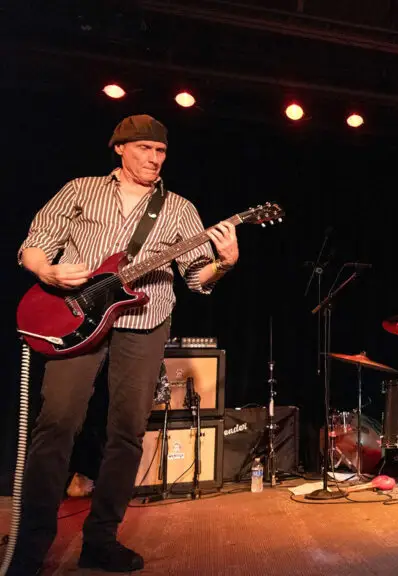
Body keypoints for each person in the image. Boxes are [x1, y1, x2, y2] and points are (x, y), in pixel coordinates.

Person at [10, 114, 240, 574]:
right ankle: (30, 545)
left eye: (160, 152)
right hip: (73, 315)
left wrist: (225, 263)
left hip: (145, 317)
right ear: (119, 148)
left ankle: (101, 539)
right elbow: (34, 245)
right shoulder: (79, 190)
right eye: (144, 150)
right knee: (57, 422)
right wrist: (47, 271)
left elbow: (196, 278)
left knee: (128, 430)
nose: (154, 159)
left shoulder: (179, 208)